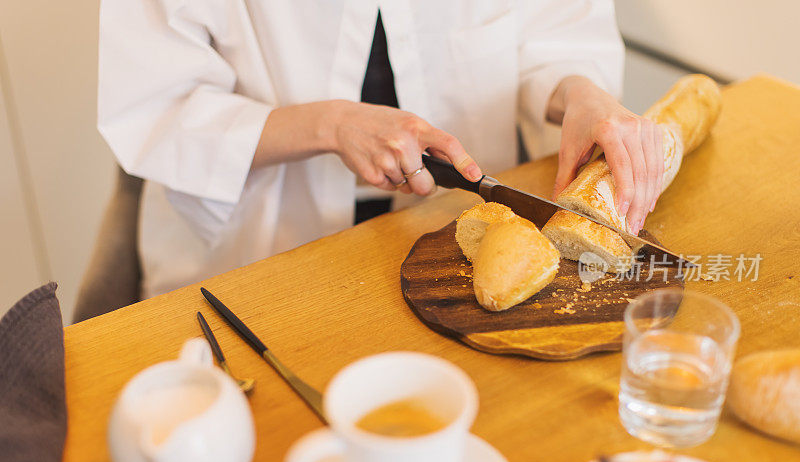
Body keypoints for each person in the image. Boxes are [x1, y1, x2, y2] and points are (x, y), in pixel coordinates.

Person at [98, 1, 664, 299]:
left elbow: (556, 33)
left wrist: (581, 94)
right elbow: (158, 106)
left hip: (456, 241)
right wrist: (330, 124)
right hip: (262, 248)